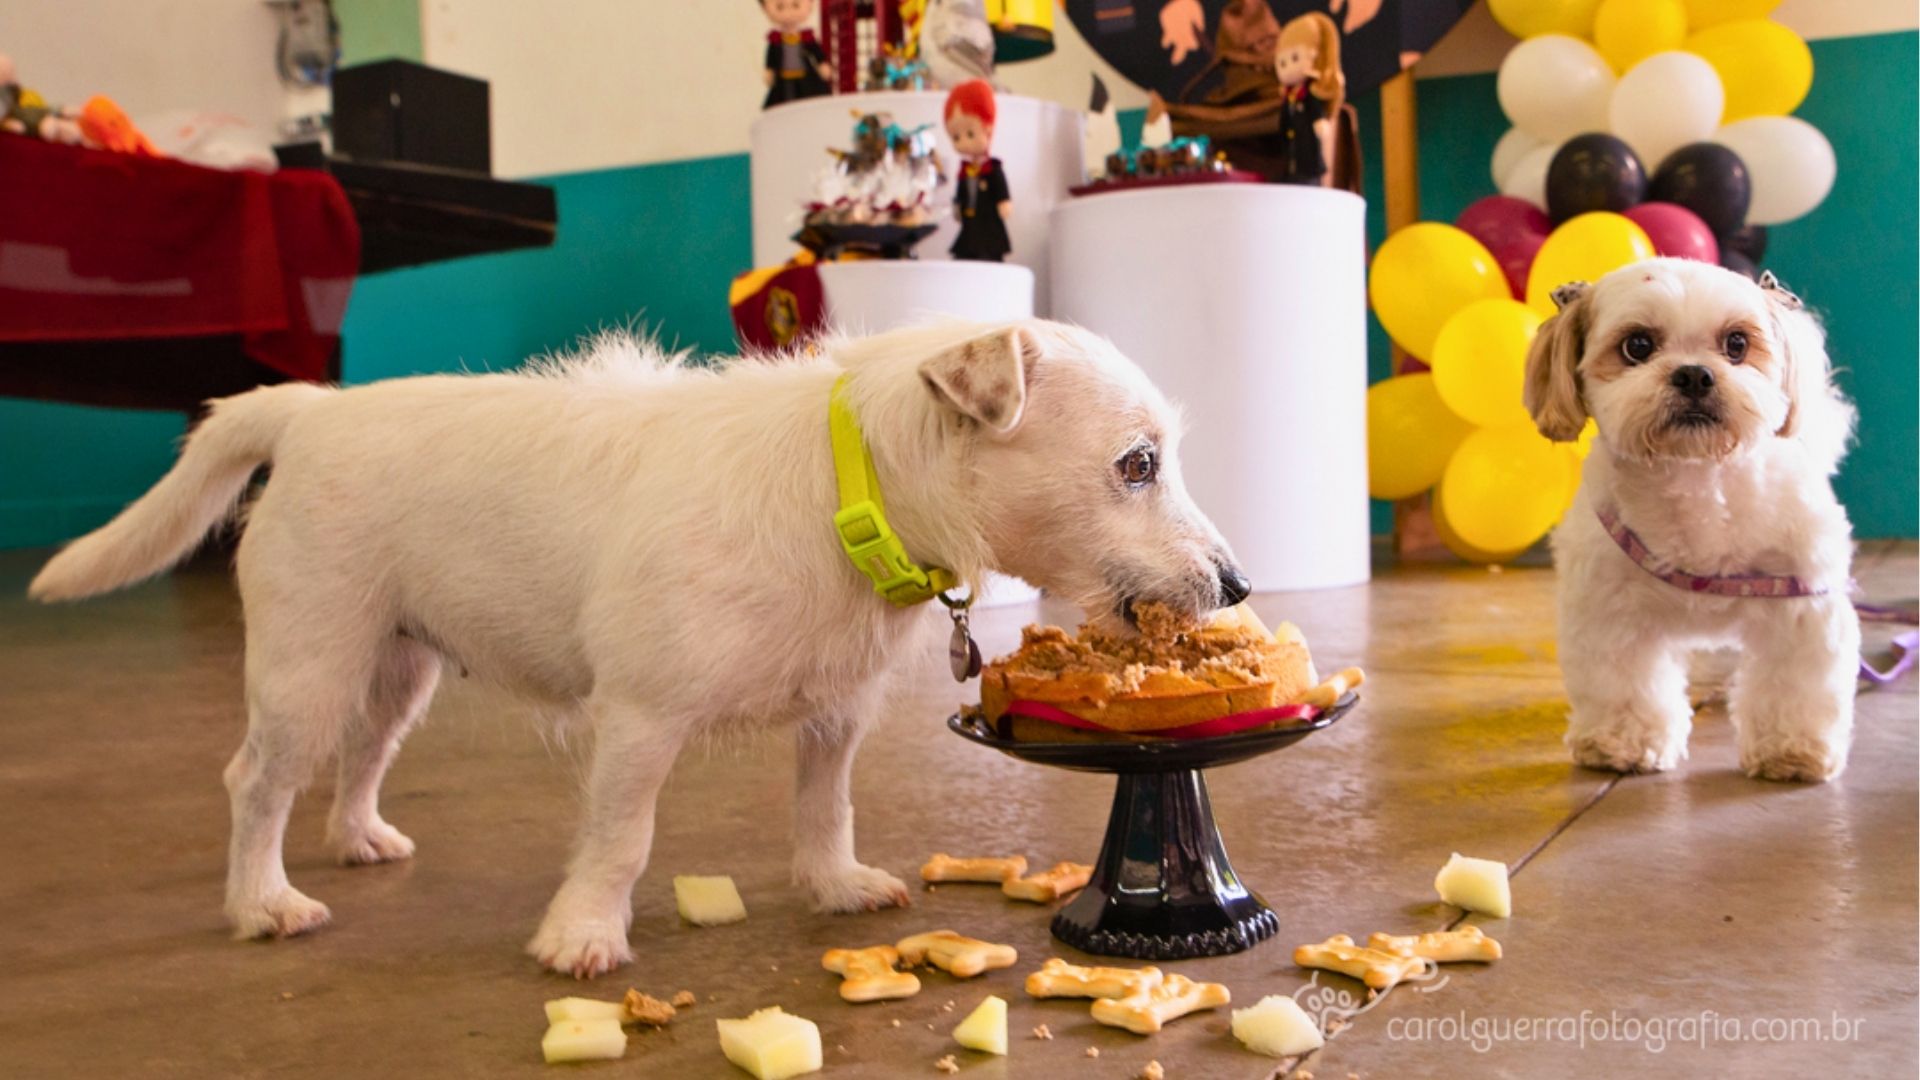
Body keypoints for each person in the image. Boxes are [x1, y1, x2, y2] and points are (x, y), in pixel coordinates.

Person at [1271, 10, 1344, 185]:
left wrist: (1319, 121)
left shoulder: (1308, 93)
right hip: (1291, 150)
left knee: (1309, 177)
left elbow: (1315, 109)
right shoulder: (1289, 95)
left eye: (1295, 58)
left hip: (1308, 150)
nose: (1287, 67)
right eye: (1282, 62)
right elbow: (1284, 120)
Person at [944, 80, 1011, 263]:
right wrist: (957, 205)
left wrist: (1004, 200)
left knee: (989, 258)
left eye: (970, 134)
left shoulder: (992, 168)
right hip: (970, 227)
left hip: (989, 228)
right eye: (956, 137)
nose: (963, 142)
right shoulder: (964, 172)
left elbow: (1000, 187)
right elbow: (961, 192)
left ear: (988, 129)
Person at [761, 0, 833, 109]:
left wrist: (821, 63)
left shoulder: (806, 37)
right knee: (784, 100)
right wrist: (769, 69)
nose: (788, 13)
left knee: (807, 99)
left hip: (804, 76)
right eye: (780, 7)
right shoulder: (776, 39)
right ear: (765, 8)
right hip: (784, 77)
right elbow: (771, 56)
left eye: (796, 5)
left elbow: (816, 51)